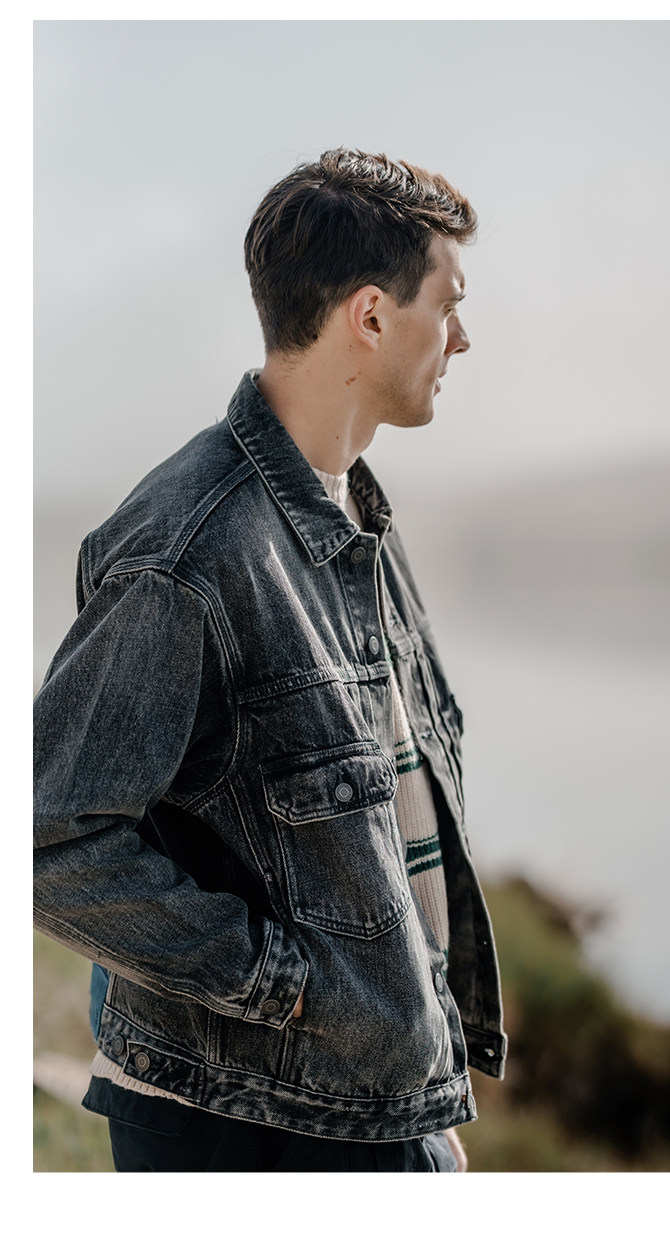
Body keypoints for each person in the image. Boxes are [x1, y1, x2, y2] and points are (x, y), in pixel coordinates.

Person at [33, 148, 506, 1173]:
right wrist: (286, 987)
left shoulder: (357, 514)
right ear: (370, 316)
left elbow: (383, 841)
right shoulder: (186, 552)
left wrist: (417, 1081)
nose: (462, 338)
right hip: (245, 1128)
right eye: (449, 306)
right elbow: (50, 838)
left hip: (372, 1105)